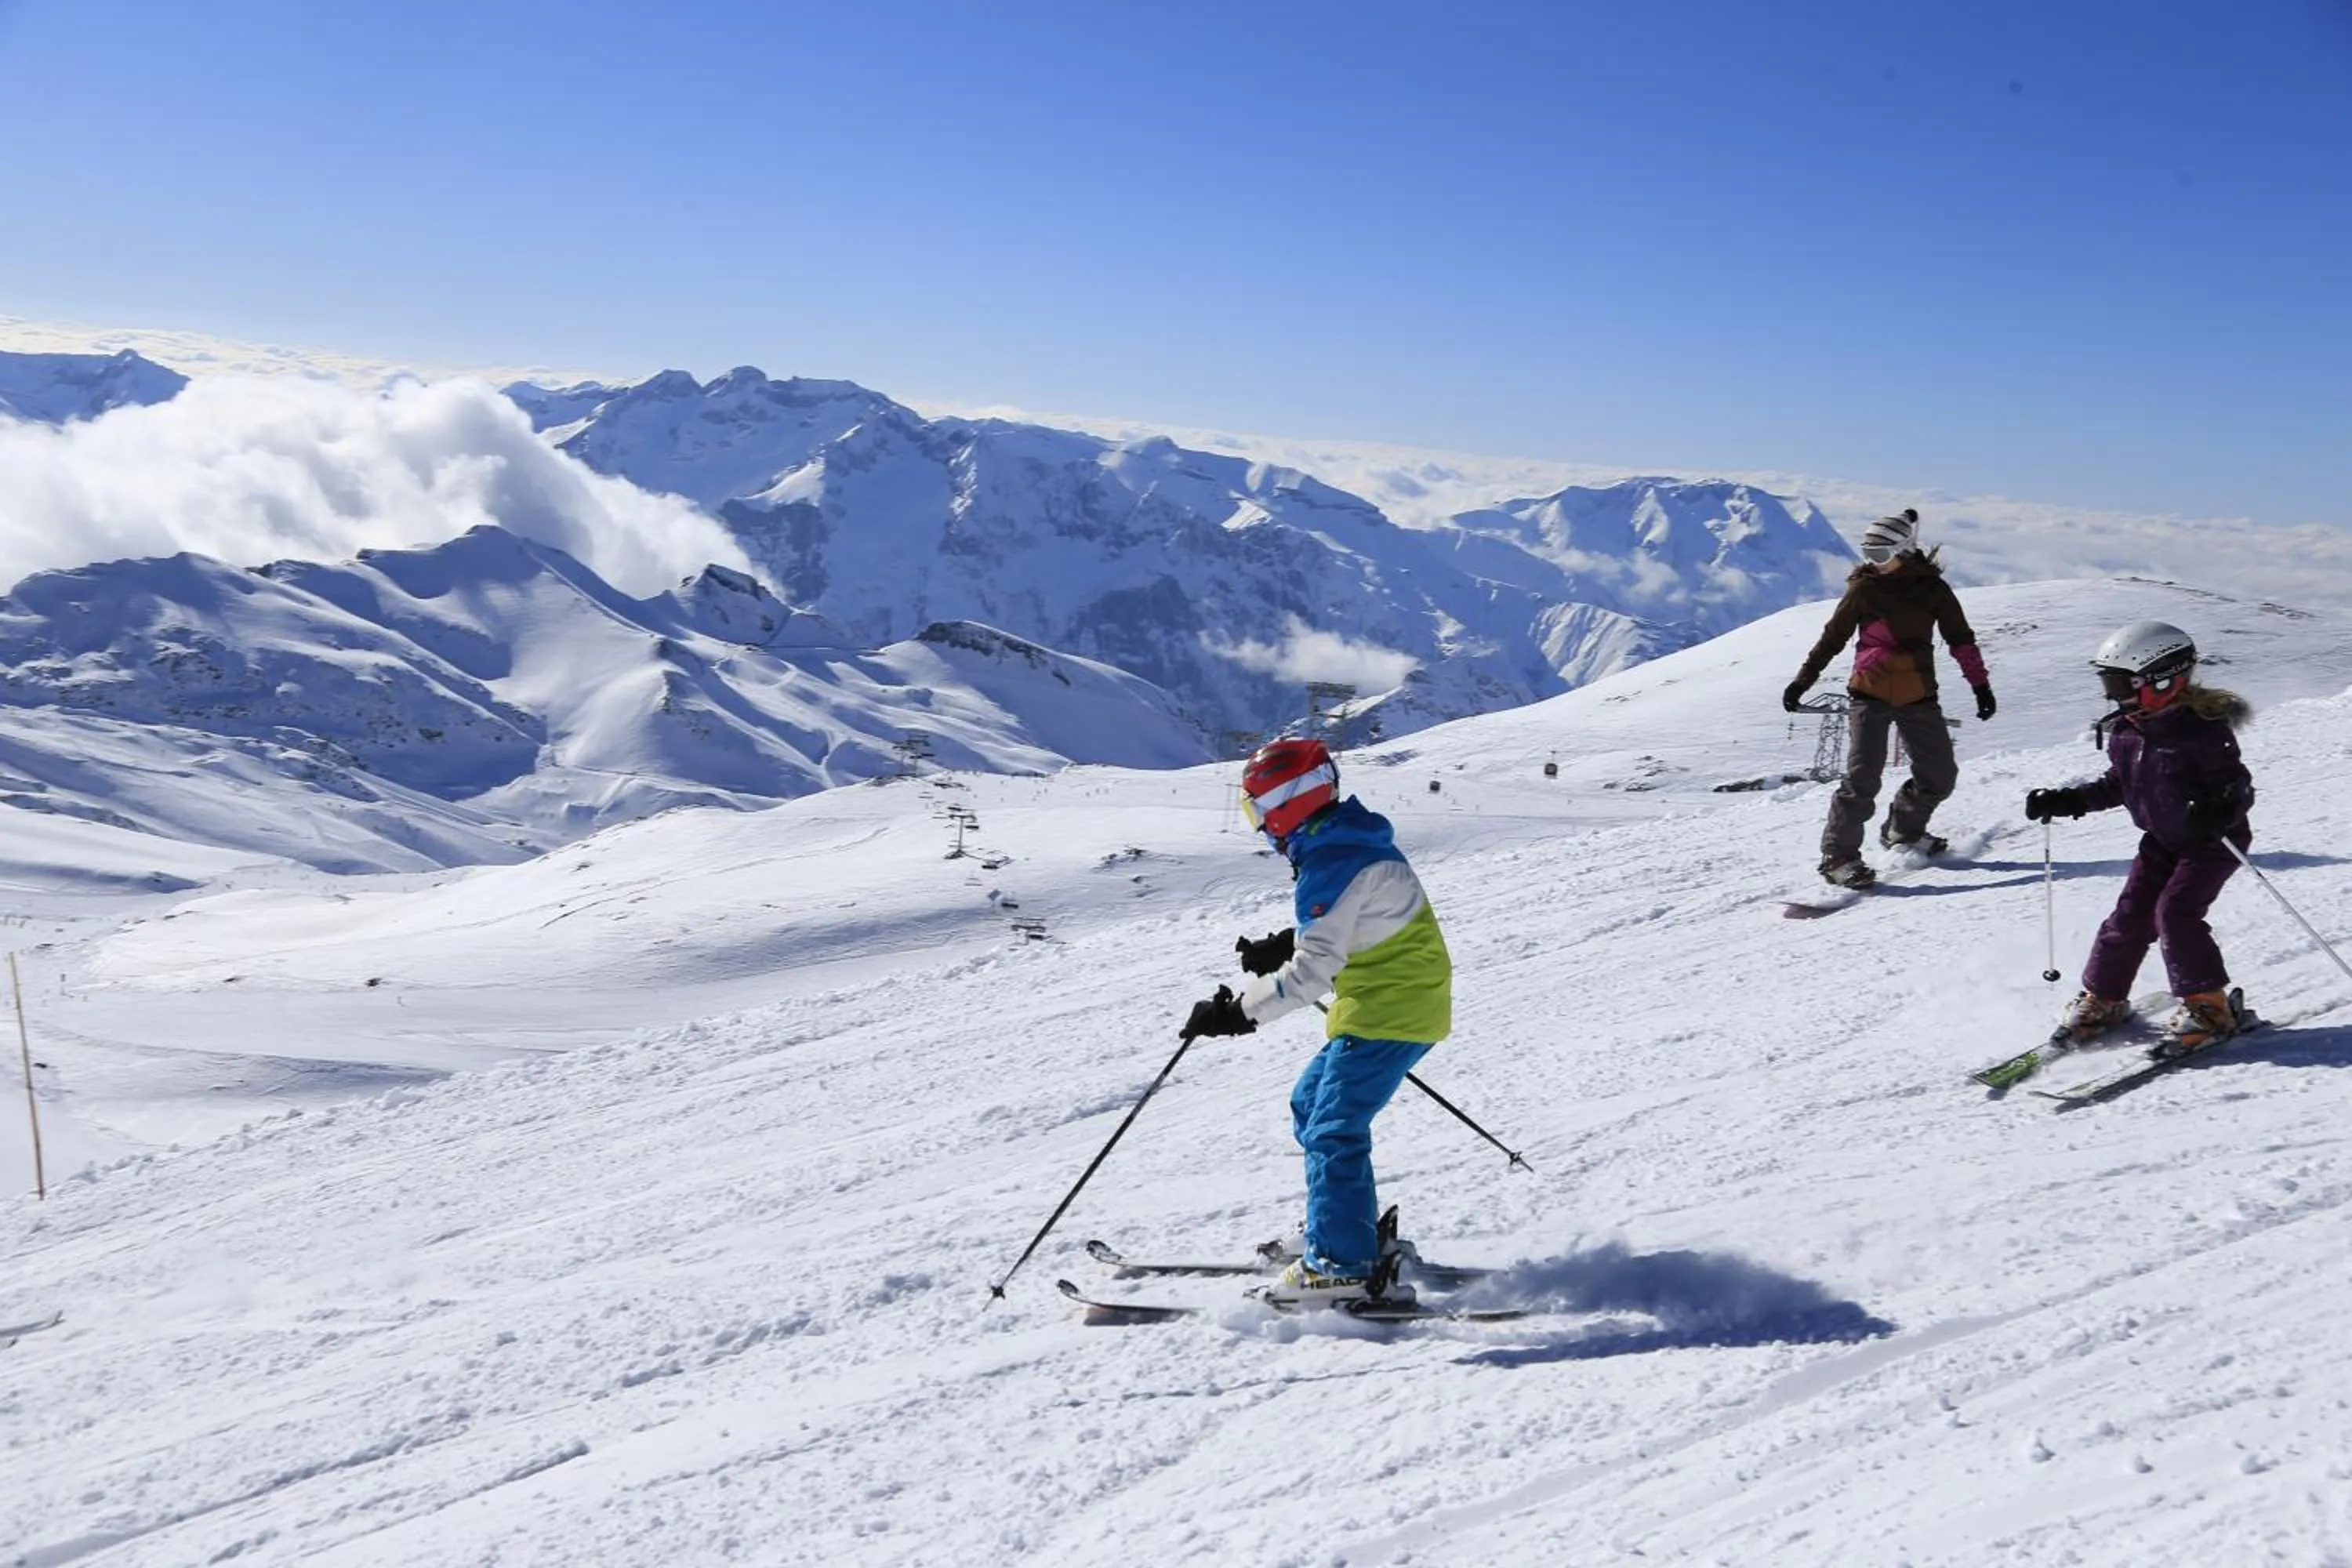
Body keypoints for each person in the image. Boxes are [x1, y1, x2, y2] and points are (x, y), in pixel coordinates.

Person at [1178, 736, 1451, 1305]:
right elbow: (1360, 920)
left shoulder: (1333, 859)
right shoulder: (1349, 841)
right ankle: (1340, 1226)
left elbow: (1312, 975)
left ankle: (1341, 1264)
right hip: (1393, 1001)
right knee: (1312, 1104)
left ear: (1288, 803)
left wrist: (1235, 1014)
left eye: (1258, 809)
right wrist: (1286, 943)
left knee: (1335, 1129)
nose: (1259, 826)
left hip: (1390, 1009)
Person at [2025, 620, 2255, 1051]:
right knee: (2128, 919)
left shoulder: (2203, 731)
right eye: (2108, 684)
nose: (2113, 695)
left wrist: (2219, 808)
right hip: (2161, 842)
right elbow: (2120, 784)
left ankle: (2210, 1007)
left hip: (2212, 843)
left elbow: (2237, 785)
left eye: (2121, 684)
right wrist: (2068, 801)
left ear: (2165, 679)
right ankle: (2105, 998)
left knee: (2176, 913)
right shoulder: (2129, 731)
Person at [1782, 509, 1996, 887]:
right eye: (1868, 554)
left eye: (1880, 555)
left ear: (1905, 549)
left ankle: (1903, 829)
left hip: (1918, 695)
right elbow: (1833, 638)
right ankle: (1839, 858)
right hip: (1869, 693)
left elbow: (1961, 640)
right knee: (1862, 780)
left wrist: (1981, 686)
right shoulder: (1864, 589)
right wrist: (1803, 681)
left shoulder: (1933, 591)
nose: (1873, 563)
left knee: (1940, 776)